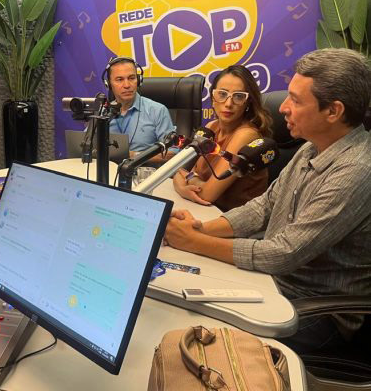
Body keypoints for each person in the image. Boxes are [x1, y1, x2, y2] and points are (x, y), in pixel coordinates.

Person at [164, 48, 371, 353]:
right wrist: (199, 228)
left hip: (313, 309)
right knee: (183, 301)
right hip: (274, 282)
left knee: (202, 337)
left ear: (333, 111)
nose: (283, 108)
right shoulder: (311, 147)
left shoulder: (357, 170)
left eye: (295, 100)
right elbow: (264, 207)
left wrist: (192, 241)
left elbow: (284, 253)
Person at [172, 65, 272, 211]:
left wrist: (187, 181)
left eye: (238, 96)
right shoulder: (211, 127)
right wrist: (183, 187)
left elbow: (207, 194)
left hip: (235, 217)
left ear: (248, 102)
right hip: (206, 209)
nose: (228, 103)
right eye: (222, 94)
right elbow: (183, 173)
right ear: (213, 98)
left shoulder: (246, 134)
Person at [105, 57, 175, 154]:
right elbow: (85, 145)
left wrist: (134, 156)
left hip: (144, 164)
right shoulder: (103, 112)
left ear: (138, 80)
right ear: (109, 84)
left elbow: (172, 153)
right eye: (119, 79)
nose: (127, 85)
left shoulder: (157, 111)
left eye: (131, 78)